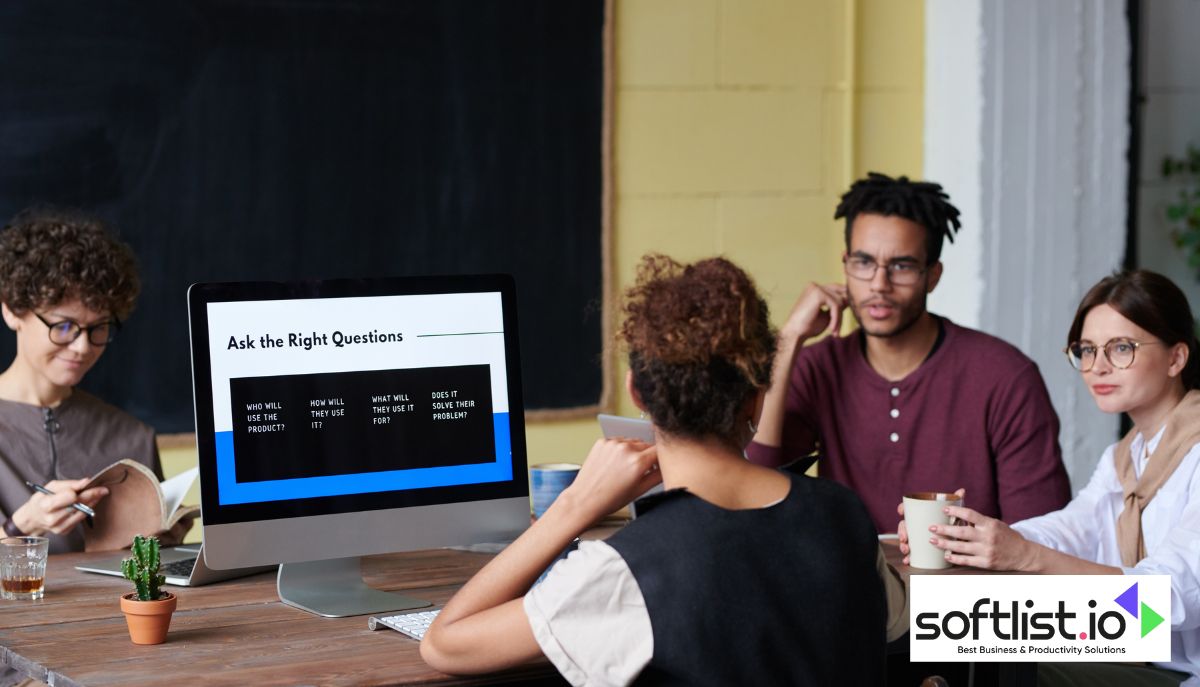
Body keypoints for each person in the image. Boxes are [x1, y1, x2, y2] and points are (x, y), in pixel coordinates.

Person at [421, 255, 907, 685]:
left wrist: (573, 506)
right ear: (758, 392)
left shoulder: (624, 571)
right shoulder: (846, 516)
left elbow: (443, 644)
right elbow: (900, 621)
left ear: (636, 393)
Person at [901, 270, 1200, 685]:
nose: (1098, 367)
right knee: (947, 632)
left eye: (1121, 348)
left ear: (1176, 358)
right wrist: (975, 539)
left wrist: (1024, 556)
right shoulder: (1125, 458)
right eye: (1088, 350)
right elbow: (1072, 528)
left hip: (1181, 668)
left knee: (998, 659)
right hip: (1138, 644)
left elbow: (1168, 598)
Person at [747, 171, 1071, 532]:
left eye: (901, 266)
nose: (879, 284)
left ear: (933, 275)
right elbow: (757, 480)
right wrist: (789, 338)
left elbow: (1041, 535)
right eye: (864, 262)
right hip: (851, 586)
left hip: (967, 585)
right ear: (845, 265)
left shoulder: (1005, 377)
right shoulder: (819, 366)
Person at [0, 207, 166, 555]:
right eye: (63, 326)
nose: (82, 346)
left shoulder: (132, 437)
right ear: (12, 310)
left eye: (98, 328)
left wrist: (164, 541)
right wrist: (22, 527)